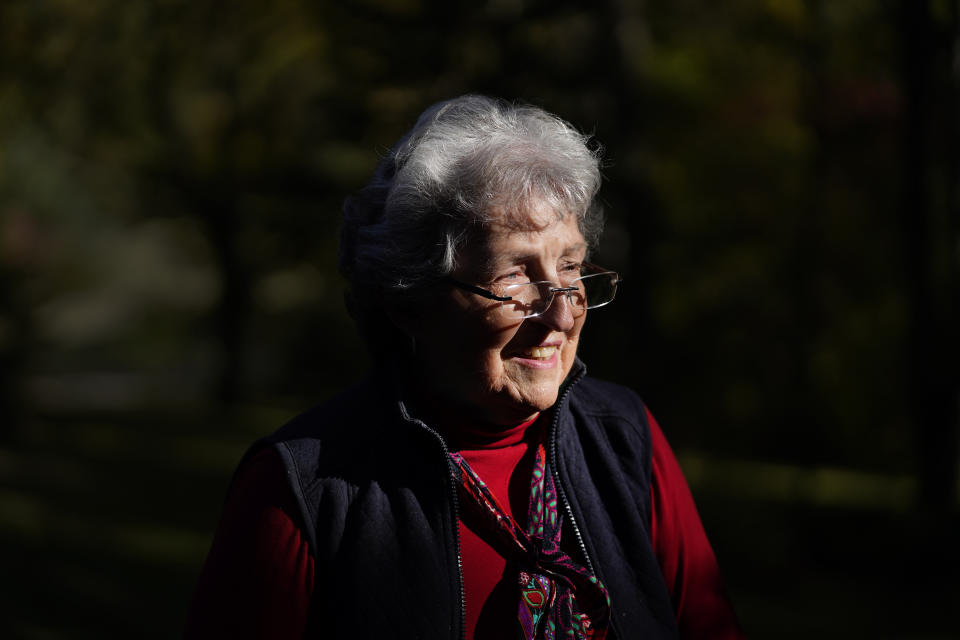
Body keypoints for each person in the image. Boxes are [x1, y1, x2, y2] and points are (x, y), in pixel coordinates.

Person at [185, 95, 745, 639]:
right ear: (412, 298)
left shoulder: (623, 435)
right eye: (514, 276)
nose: (560, 314)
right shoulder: (305, 488)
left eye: (570, 266)